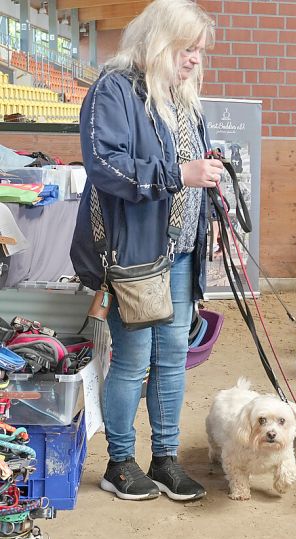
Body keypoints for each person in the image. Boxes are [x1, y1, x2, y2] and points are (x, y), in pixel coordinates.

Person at [69, 0, 222, 501]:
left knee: (173, 357)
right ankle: (118, 462)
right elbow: (105, 167)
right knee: (132, 361)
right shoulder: (114, 90)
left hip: (179, 253)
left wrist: (206, 195)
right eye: (188, 48)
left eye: (200, 50)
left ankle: (165, 459)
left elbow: (189, 172)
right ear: (159, 41)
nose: (196, 59)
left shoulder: (183, 100)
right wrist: (180, 173)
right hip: (133, 254)